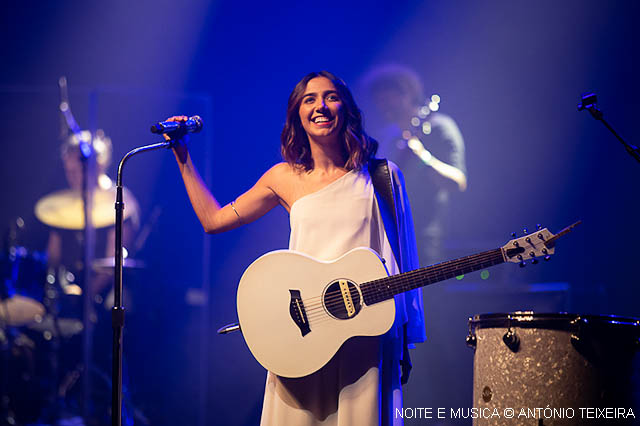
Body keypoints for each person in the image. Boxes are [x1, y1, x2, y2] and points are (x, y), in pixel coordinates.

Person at [166, 71, 425, 425]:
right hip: (302, 331)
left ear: (346, 109)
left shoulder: (382, 175)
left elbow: (404, 257)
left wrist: (407, 335)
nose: (321, 106)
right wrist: (183, 157)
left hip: (363, 334)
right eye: (309, 99)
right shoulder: (283, 177)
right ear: (297, 116)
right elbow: (213, 221)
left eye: (331, 97)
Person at [362, 65, 467, 266]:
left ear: (407, 93)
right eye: (378, 99)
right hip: (389, 238)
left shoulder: (439, 127)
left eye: (387, 97)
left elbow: (457, 181)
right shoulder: (386, 136)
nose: (382, 104)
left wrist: (422, 156)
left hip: (426, 238)